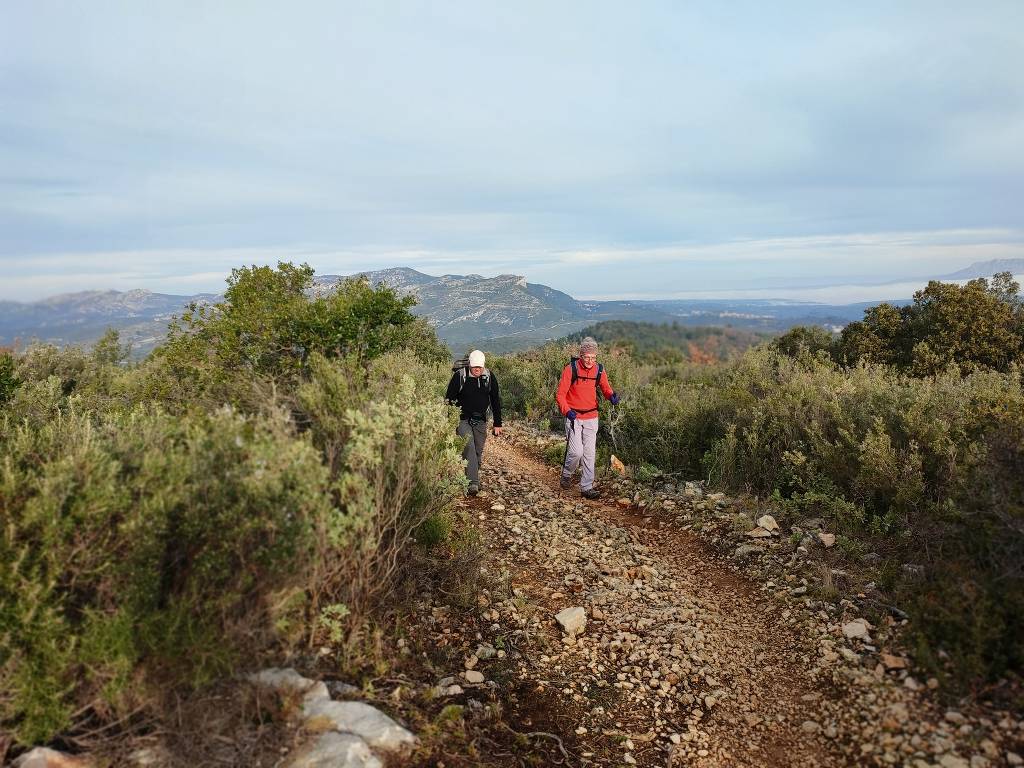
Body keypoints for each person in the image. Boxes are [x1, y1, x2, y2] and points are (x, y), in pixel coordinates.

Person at [556, 337, 619, 499]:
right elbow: (560, 395)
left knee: (589, 453)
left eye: (593, 357)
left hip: (592, 416)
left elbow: (606, 388)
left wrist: (611, 396)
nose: (590, 361)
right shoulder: (571, 369)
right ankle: (567, 474)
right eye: (587, 357)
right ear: (581, 355)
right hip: (574, 416)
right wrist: (567, 411)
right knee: (576, 452)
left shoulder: (599, 370)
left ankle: (586, 487)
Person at [445, 349, 502, 495]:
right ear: (470, 365)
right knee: (468, 446)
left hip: (481, 420)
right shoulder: (460, 376)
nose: (477, 370)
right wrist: (449, 420)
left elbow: (495, 400)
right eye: (475, 367)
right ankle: (473, 484)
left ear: (483, 366)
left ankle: (471, 477)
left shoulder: (489, 376)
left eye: (480, 367)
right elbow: (449, 399)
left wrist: (497, 423)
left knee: (477, 451)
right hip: (462, 419)